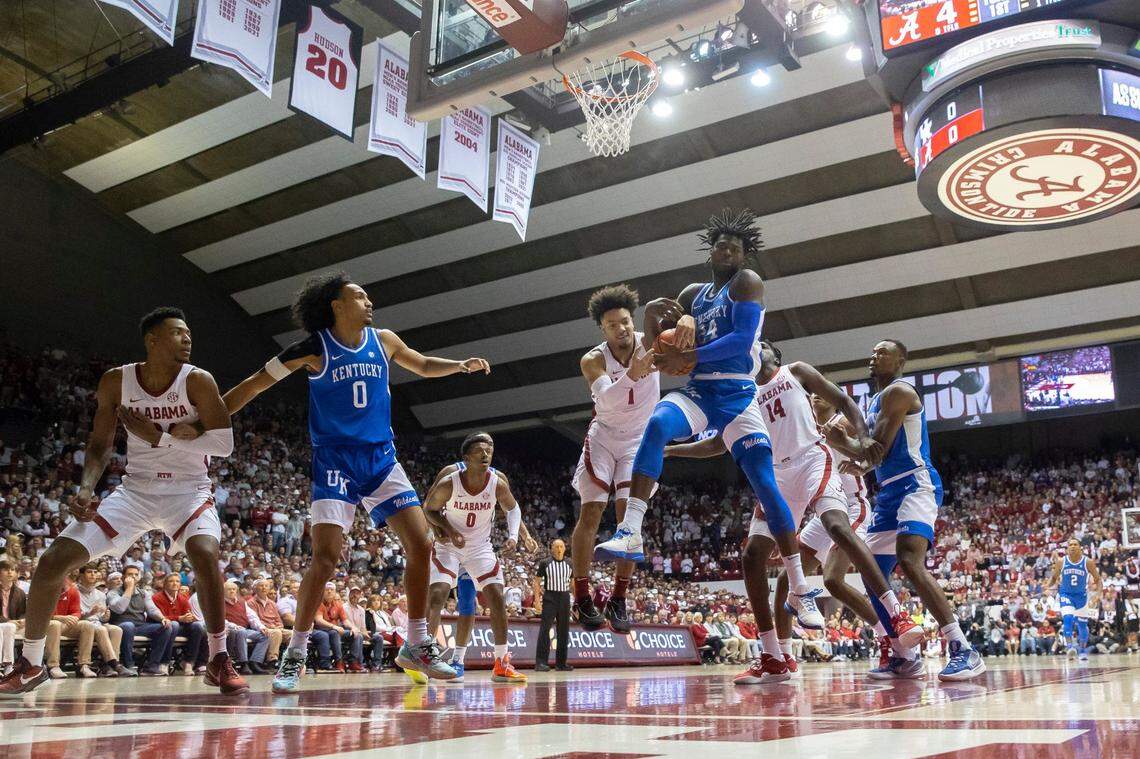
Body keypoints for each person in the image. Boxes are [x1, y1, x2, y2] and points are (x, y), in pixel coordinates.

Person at [193, 273, 489, 692]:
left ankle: (418, 643)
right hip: (334, 460)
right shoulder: (313, 348)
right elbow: (256, 383)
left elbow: (421, 364)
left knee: (422, 543)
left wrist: (458, 365)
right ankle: (294, 652)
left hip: (381, 458)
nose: (370, 302)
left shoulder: (383, 339)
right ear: (336, 305)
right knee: (327, 558)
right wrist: (206, 420)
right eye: (360, 297)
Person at [596, 209, 822, 631]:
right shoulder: (693, 295)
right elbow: (657, 345)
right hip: (700, 391)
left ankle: (799, 586)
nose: (727, 251)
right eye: (720, 244)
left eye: (735, 247)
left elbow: (739, 339)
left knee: (765, 483)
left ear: (744, 255)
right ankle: (630, 529)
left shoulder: (747, 283)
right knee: (658, 424)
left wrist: (690, 354)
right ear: (710, 252)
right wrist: (661, 320)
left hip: (737, 393)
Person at [0, 308, 246, 695]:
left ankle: (217, 659)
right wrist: (85, 489)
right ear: (153, 340)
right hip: (135, 491)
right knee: (51, 562)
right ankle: (31, 665)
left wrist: (159, 437)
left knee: (204, 554)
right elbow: (99, 444)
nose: (188, 339)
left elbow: (223, 444)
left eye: (189, 333)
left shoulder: (197, 380)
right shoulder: (117, 381)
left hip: (189, 490)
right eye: (178, 333)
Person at [668, 342, 907, 683]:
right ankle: (774, 654)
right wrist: (671, 451)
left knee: (835, 558)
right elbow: (719, 443)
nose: (753, 348)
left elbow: (844, 402)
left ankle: (893, 621)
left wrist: (865, 441)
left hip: (812, 462)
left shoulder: (795, 373)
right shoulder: (743, 396)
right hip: (778, 475)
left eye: (760, 344)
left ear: (774, 357)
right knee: (753, 557)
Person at [833, 339, 985, 681]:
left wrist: (840, 443)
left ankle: (963, 648)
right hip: (888, 492)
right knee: (872, 575)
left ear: (901, 360)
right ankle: (905, 656)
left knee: (910, 561)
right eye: (872, 351)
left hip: (916, 484)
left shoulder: (899, 392)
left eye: (883, 352)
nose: (874, 356)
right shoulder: (873, 401)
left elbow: (878, 452)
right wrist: (860, 465)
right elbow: (872, 457)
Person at [569, 285, 661, 632]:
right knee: (591, 510)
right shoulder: (593, 359)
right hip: (605, 436)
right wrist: (635, 373)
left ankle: (619, 598)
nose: (620, 328)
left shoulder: (652, 342)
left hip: (639, 439)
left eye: (624, 321)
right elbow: (606, 402)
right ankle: (581, 595)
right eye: (612, 324)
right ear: (602, 329)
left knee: (629, 521)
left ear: (631, 320)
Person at [423, 433, 531, 683]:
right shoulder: (450, 480)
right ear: (466, 457)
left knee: (496, 596)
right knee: (439, 593)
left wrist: (515, 536)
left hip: (479, 547)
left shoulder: (497, 482)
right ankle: (425, 655)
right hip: (449, 544)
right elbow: (429, 508)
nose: (486, 454)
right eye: (480, 450)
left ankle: (501, 662)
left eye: (489, 450)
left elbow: (512, 508)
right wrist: (447, 530)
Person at [107, 565, 174, 676]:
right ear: (123, 577)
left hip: (140, 626)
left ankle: (151, 666)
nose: (133, 577)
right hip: (120, 625)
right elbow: (119, 608)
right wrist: (129, 589)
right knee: (128, 626)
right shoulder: (113, 593)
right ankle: (129, 665)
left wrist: (163, 618)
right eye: (130, 574)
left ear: (139, 577)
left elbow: (152, 610)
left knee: (166, 627)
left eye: (136, 574)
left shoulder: (144, 593)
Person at [1047, 538, 1102, 662]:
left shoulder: (1087, 562)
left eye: (1075, 544)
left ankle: (1082, 651)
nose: (1072, 546)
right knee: (1068, 619)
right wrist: (1048, 585)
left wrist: (1098, 594)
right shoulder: (1061, 561)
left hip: (1081, 597)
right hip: (1066, 595)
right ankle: (1070, 647)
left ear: (1080, 547)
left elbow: (1098, 579)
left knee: (1083, 625)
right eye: (1070, 545)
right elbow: (1054, 577)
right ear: (1067, 548)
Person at [74, 563, 126, 677]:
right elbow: (74, 614)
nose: (93, 574)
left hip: (96, 622)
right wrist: (90, 613)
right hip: (81, 623)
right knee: (101, 629)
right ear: (81, 576)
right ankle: (114, 663)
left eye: (95, 572)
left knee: (116, 629)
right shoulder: (74, 591)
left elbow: (101, 618)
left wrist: (106, 616)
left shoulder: (100, 594)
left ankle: (108, 665)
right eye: (89, 572)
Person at [151, 572, 203, 675]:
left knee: (198, 626)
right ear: (165, 584)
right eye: (171, 581)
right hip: (162, 627)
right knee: (173, 624)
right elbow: (159, 617)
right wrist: (179, 618)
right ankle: (165, 662)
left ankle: (189, 662)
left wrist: (189, 617)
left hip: (180, 628)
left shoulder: (183, 598)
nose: (175, 583)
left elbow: (187, 614)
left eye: (177, 581)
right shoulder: (156, 598)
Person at [534, 539, 573, 671]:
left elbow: (573, 584)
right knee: (545, 630)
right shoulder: (545, 563)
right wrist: (537, 600)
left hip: (565, 597)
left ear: (564, 549)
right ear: (551, 548)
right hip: (550, 597)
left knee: (564, 631)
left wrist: (578, 602)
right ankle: (541, 662)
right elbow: (537, 582)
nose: (559, 549)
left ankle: (561, 663)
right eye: (556, 547)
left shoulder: (570, 563)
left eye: (561, 546)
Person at [247, 579, 286, 669]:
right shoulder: (251, 602)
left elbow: (279, 620)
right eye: (261, 586)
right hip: (262, 629)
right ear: (255, 589)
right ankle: (272, 661)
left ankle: (290, 661)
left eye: (266, 586)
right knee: (276, 633)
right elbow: (254, 620)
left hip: (275, 628)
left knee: (292, 634)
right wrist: (271, 626)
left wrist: (279, 626)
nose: (264, 588)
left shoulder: (272, 603)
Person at [0, 559, 26, 675]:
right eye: (6, 570)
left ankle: (8, 665)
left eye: (12, 570)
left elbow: (23, 612)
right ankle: (8, 665)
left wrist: (22, 620)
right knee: (8, 627)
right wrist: (9, 621)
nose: (10, 572)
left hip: (13, 625)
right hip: (5, 623)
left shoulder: (19, 592)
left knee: (9, 627)